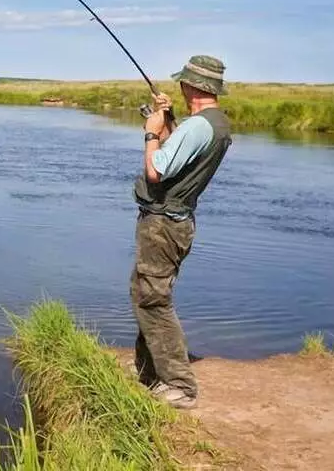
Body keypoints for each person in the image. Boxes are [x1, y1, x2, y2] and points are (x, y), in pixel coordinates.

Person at [130, 55, 232, 409]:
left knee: (153, 298)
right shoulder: (213, 123)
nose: (179, 86)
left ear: (193, 86)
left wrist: (151, 131)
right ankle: (147, 370)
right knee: (146, 291)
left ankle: (179, 385)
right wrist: (169, 119)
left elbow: (158, 169)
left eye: (183, 82)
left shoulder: (199, 127)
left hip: (163, 225)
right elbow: (180, 154)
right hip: (175, 222)